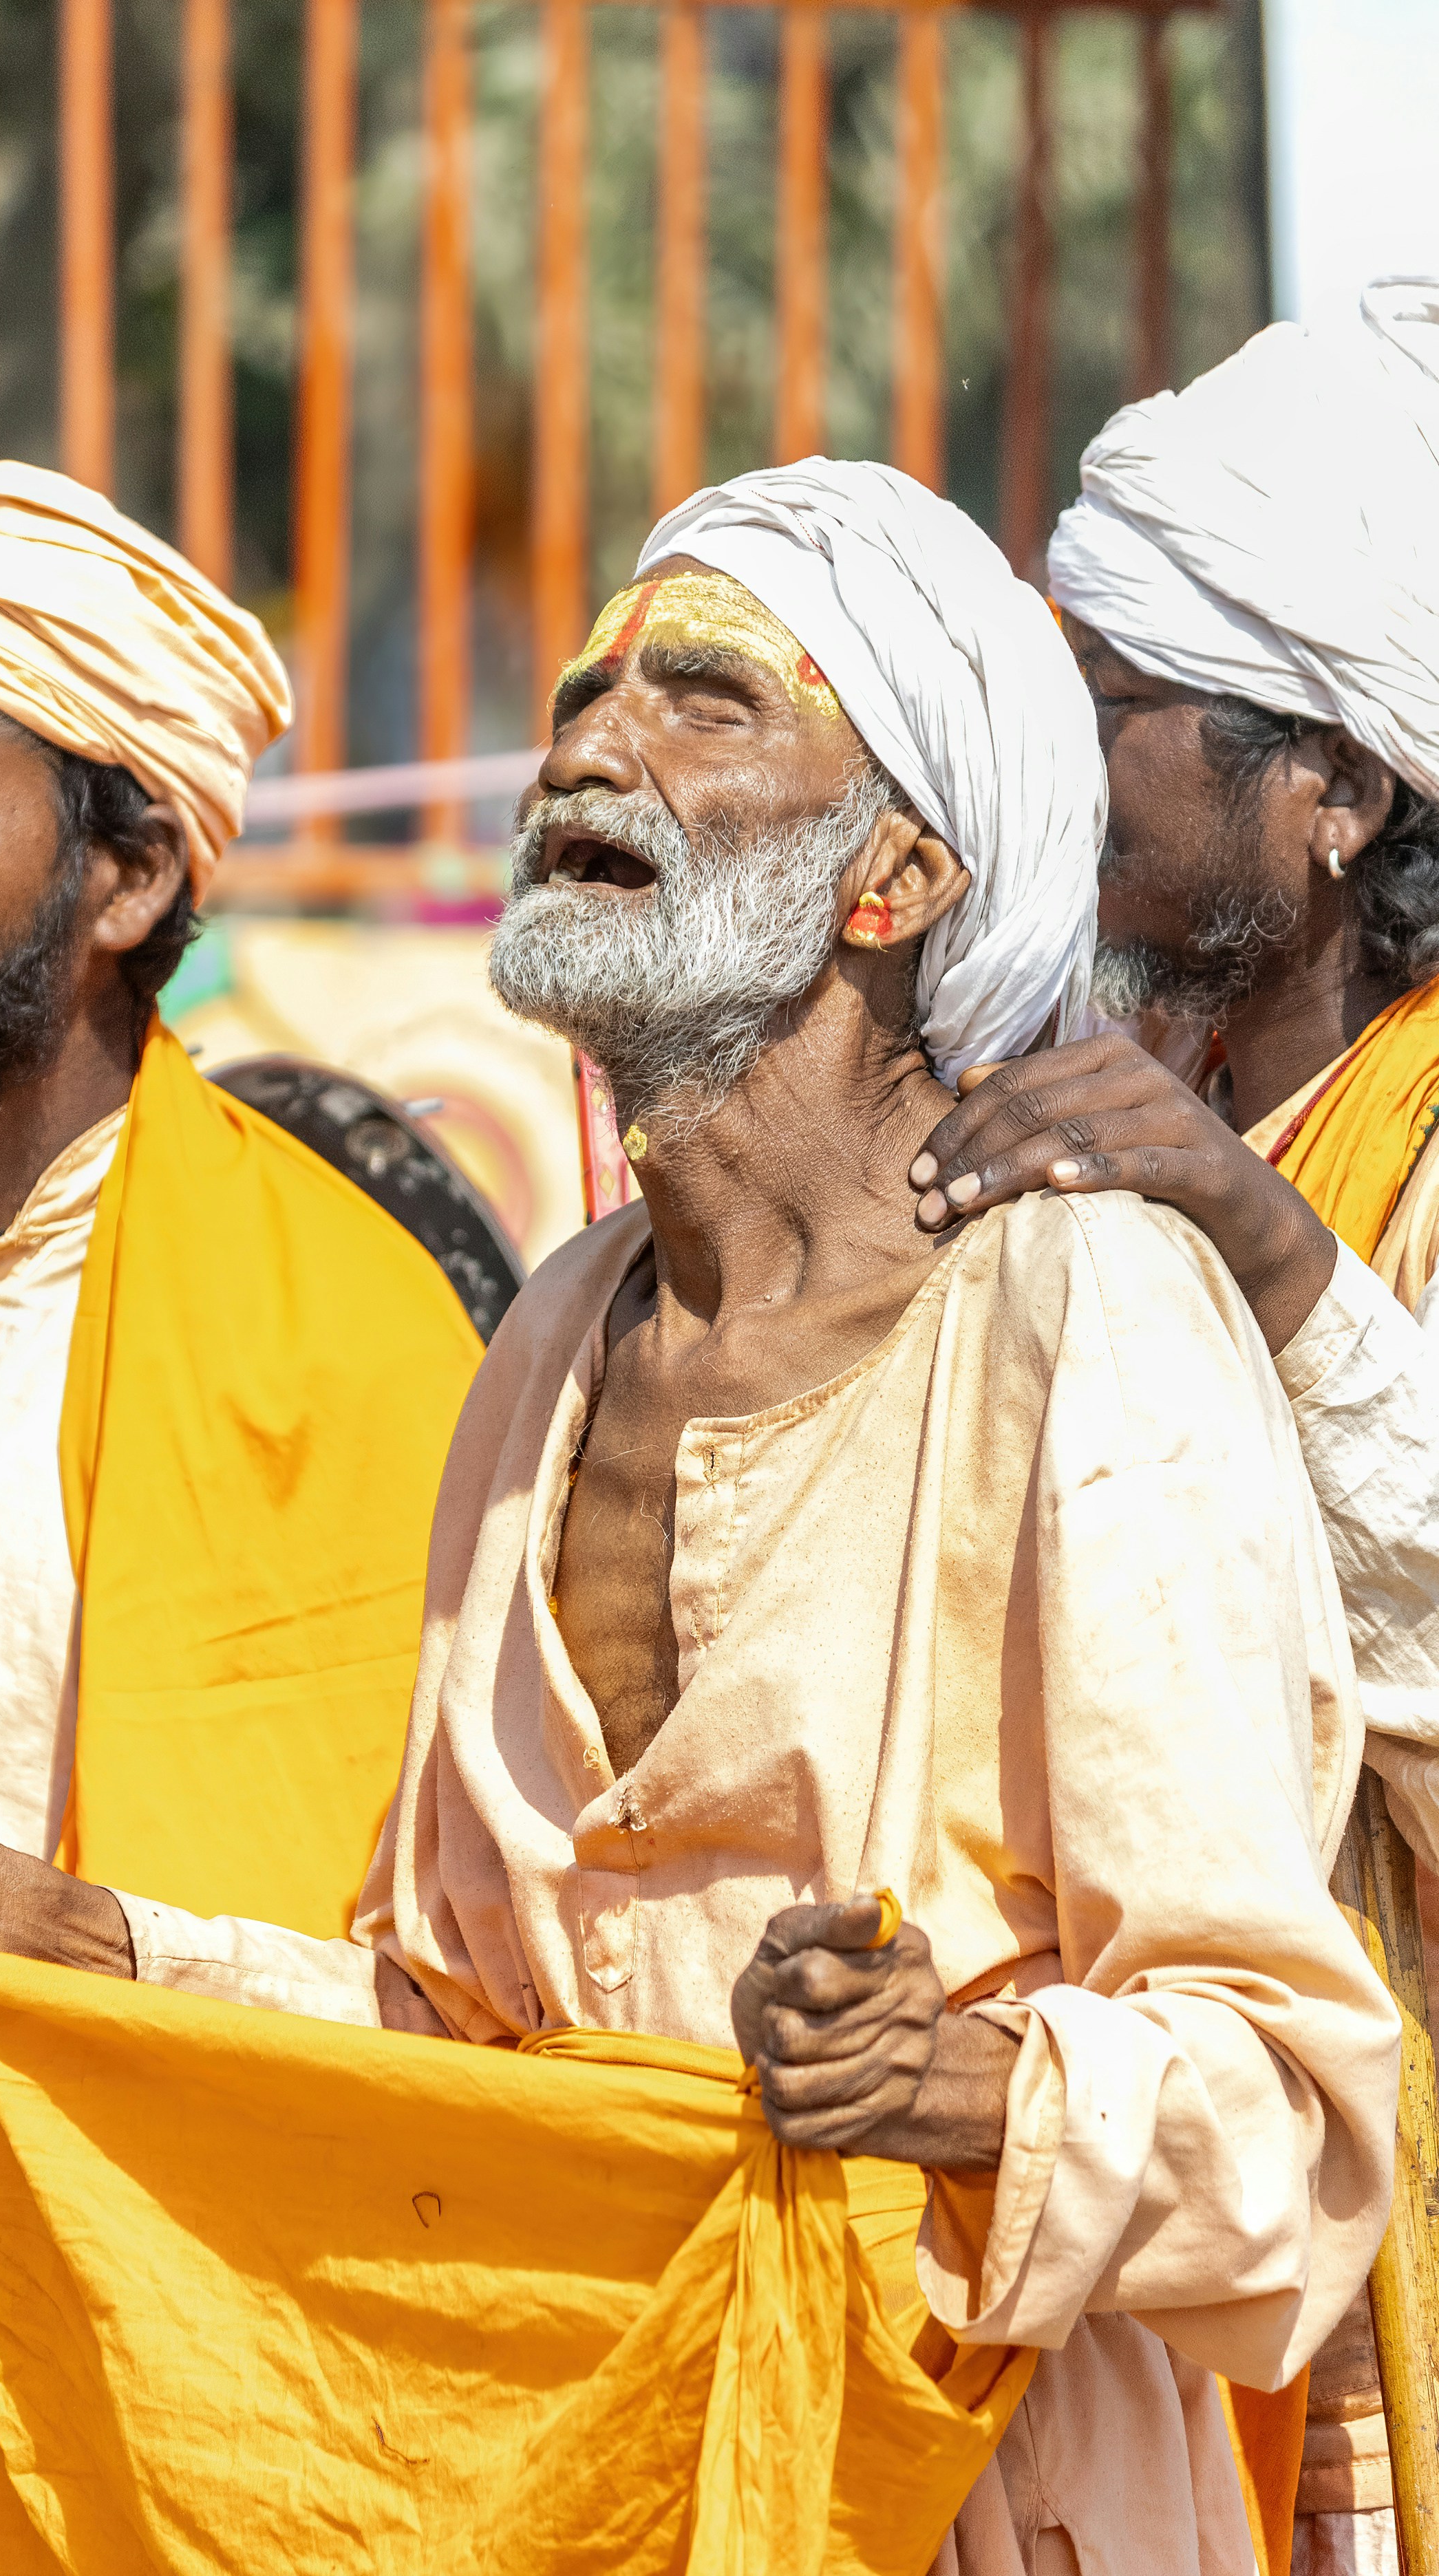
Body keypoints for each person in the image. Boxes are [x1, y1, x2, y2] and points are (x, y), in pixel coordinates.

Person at [0, 462, 1401, 2575]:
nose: (592, 741)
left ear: (895, 874)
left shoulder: (1086, 1313)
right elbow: (453, 2033)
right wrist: (49, 1923)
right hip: (607, 2492)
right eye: (588, 692)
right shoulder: (547, 1342)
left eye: (707, 702)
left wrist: (958, 2092)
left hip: (985, 2498)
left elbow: (1299, 2119)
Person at [0, 460, 482, 2429]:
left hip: (178, 2412)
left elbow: (467, 2012)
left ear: (125, 880)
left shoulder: (372, 1351)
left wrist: (51, 1935)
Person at [904, 283, 1439, 2575]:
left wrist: (1271, 1253)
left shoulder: (1373, 1156)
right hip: (1159, 2229)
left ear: (1337, 791)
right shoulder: (1131, 1115)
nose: (1061, 771)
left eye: (1112, 712)